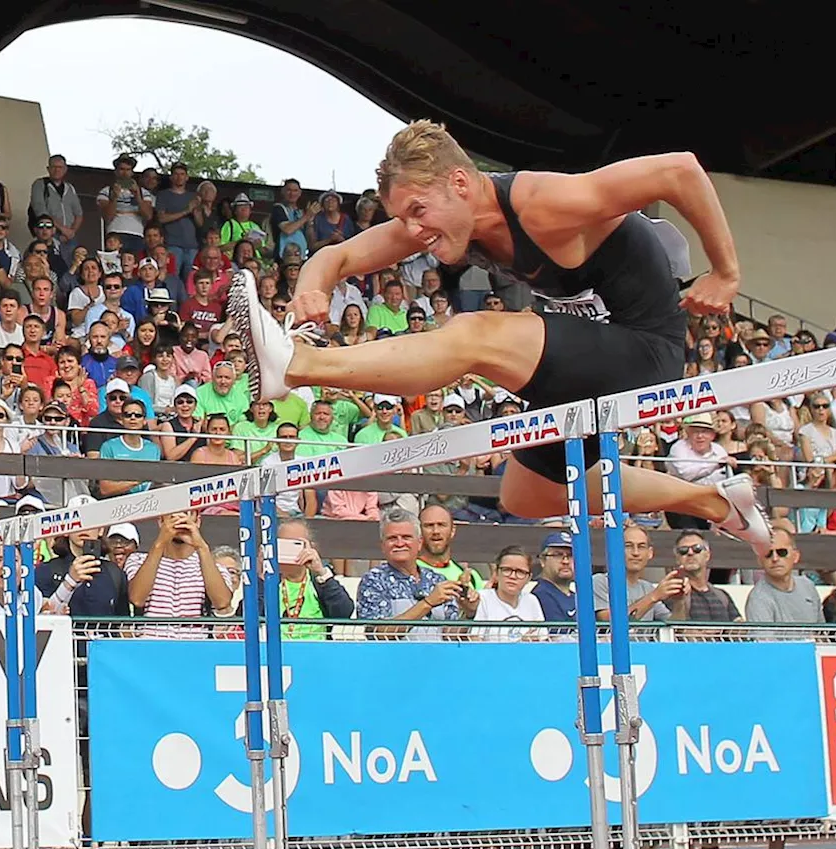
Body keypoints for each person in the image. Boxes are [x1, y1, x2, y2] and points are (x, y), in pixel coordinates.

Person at [230, 119, 770, 555]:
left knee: (475, 334)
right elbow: (339, 254)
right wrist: (312, 288)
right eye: (402, 217)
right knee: (527, 493)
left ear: (460, 183)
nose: (413, 231)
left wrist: (724, 273)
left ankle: (297, 367)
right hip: (580, 364)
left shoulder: (543, 201)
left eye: (419, 211)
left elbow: (680, 170)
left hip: (643, 352)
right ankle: (717, 502)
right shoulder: (447, 220)